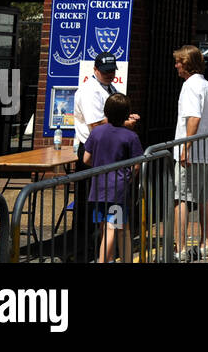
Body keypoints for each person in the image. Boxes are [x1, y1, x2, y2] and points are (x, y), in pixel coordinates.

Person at [73, 52, 138, 260]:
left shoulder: (110, 88)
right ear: (95, 70)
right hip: (98, 154)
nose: (110, 74)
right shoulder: (90, 91)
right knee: (111, 224)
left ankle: (106, 255)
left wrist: (125, 119)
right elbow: (95, 124)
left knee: (109, 223)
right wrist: (126, 124)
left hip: (102, 164)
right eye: (105, 71)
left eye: (112, 71)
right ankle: (97, 255)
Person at [83, 92, 143, 263]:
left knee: (108, 227)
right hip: (118, 189)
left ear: (106, 111)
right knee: (114, 228)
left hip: (98, 188)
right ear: (126, 114)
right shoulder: (131, 136)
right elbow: (137, 164)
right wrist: (131, 177)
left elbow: (86, 158)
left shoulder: (97, 133)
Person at [173, 45, 208, 261]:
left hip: (190, 153)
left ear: (187, 64)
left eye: (179, 62)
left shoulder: (190, 87)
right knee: (204, 199)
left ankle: (180, 248)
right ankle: (206, 243)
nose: (176, 66)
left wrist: (185, 148)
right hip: (207, 151)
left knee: (181, 199)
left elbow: (194, 118)